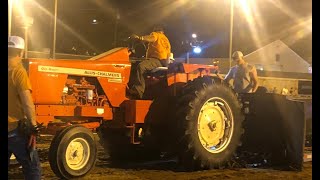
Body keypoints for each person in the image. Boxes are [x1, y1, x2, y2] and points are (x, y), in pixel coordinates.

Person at [8, 36, 41, 180]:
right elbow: (27, 102)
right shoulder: (19, 72)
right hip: (14, 130)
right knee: (31, 167)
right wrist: (33, 126)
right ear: (21, 53)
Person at [128, 24, 171, 99]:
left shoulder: (156, 34)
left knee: (141, 66)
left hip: (156, 60)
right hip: (163, 62)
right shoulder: (166, 40)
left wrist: (140, 38)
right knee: (143, 66)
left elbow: (152, 38)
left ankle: (138, 91)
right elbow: (168, 53)